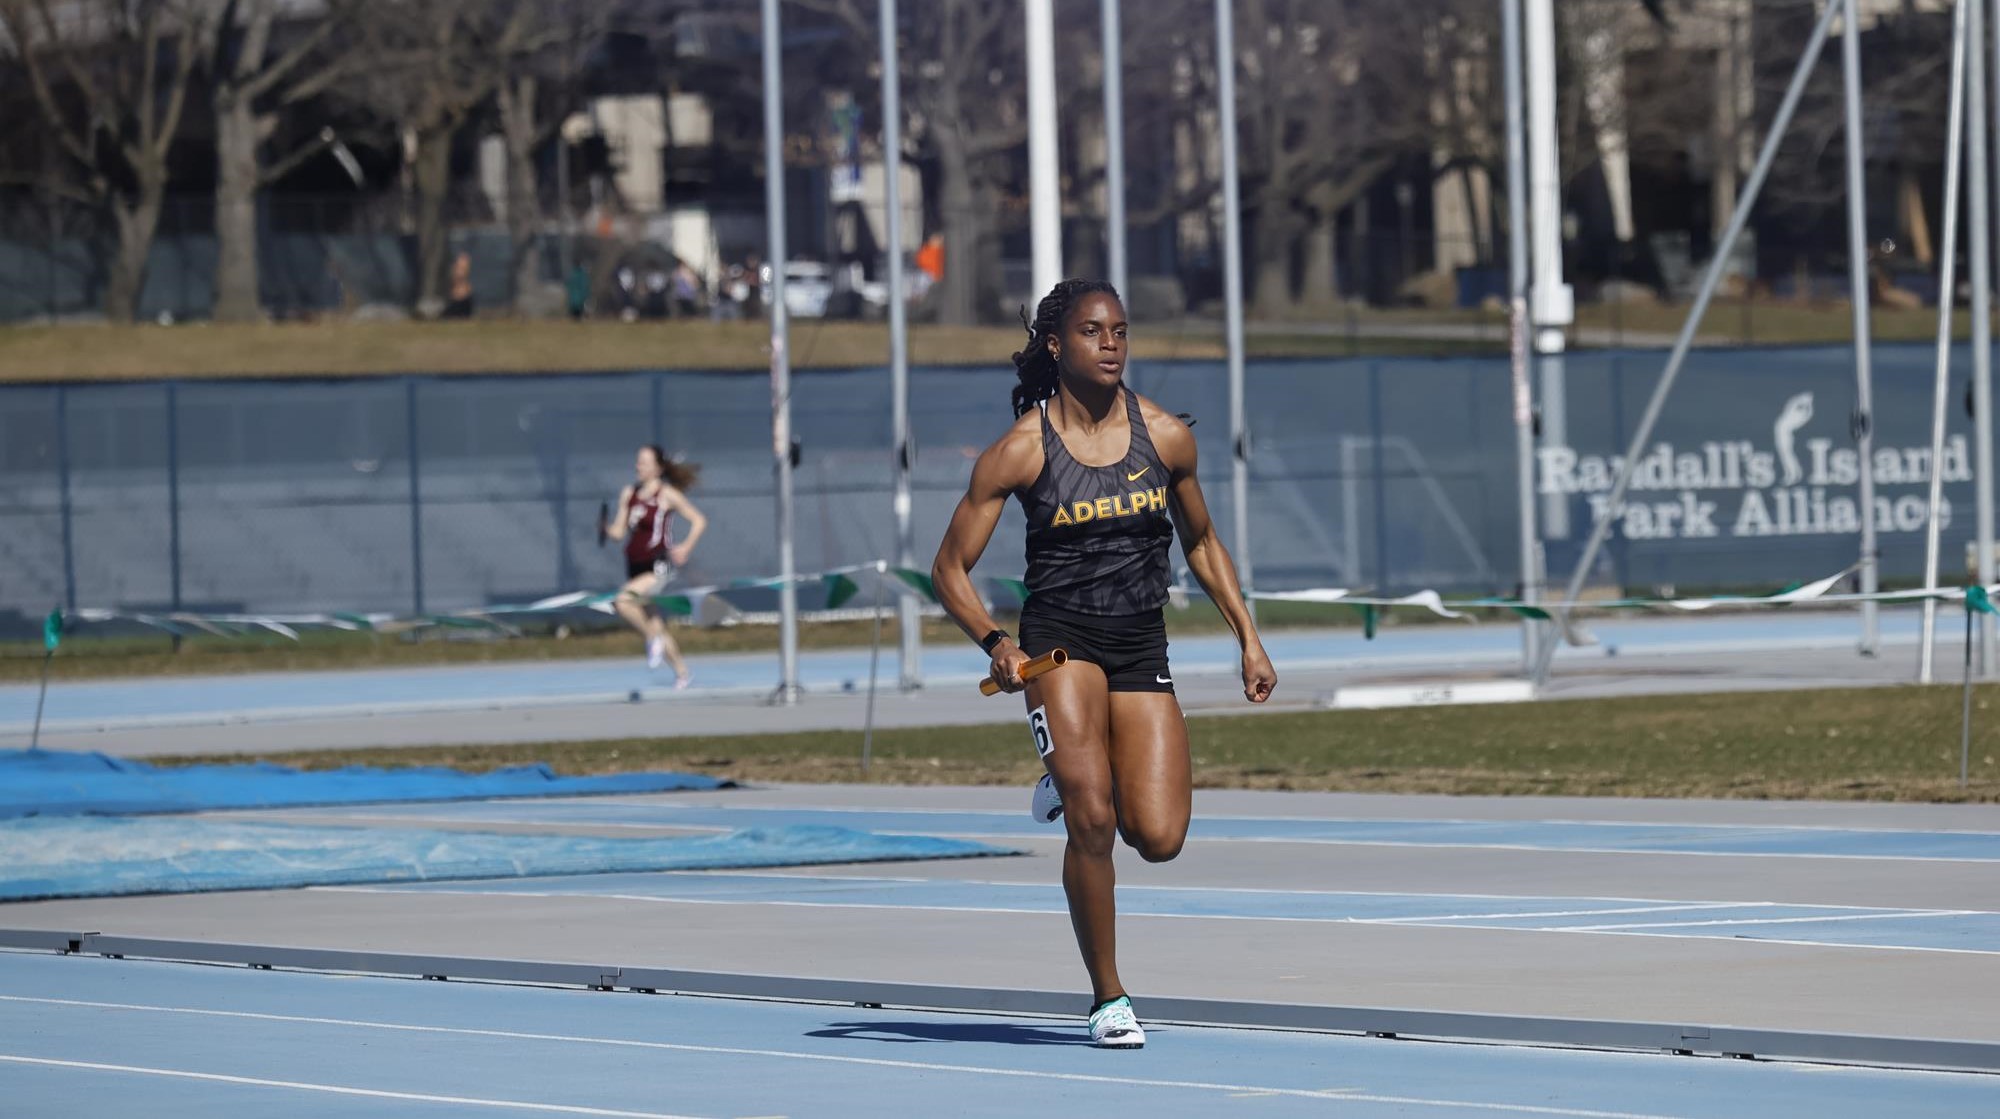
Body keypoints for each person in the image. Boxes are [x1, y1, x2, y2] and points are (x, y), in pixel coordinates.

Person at [929, 279, 1276, 1049]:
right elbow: (949, 568)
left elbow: (1202, 541)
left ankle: (1068, 768)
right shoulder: (1022, 448)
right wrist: (997, 642)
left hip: (1138, 641)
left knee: (1158, 835)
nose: (1112, 342)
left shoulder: (1165, 436)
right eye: (1093, 330)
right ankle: (1108, 996)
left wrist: (1247, 635)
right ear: (1057, 345)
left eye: (1120, 329)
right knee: (1093, 819)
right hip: (1060, 643)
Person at [604, 445, 707, 685]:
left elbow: (699, 520)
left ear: (658, 468)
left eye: (644, 462)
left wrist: (686, 546)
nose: (638, 466)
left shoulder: (666, 494)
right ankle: (682, 672)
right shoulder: (628, 493)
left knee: (623, 602)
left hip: (658, 566)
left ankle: (653, 640)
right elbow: (619, 532)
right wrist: (607, 529)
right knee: (654, 621)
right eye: (637, 461)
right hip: (635, 566)